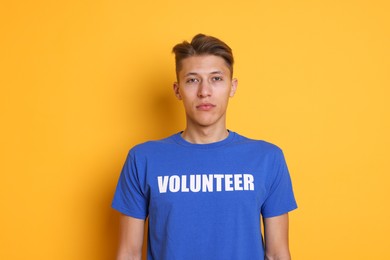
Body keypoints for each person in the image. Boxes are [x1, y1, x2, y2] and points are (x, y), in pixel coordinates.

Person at [112, 33, 297, 260]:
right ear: (177, 89)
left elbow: (278, 253)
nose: (204, 91)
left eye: (216, 79)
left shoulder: (268, 159)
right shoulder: (142, 160)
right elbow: (129, 254)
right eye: (192, 80)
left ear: (232, 86)